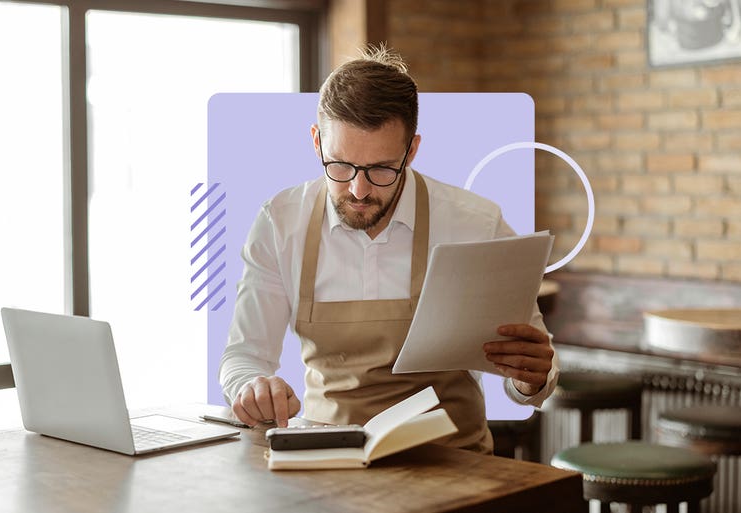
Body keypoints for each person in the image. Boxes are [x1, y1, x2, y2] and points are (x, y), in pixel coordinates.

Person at [219, 45, 559, 453]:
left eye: (381, 169)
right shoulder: (280, 222)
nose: (358, 191)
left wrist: (531, 379)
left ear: (411, 150)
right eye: (340, 166)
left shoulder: (476, 223)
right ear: (316, 143)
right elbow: (244, 356)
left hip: (455, 462)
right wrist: (252, 387)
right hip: (329, 458)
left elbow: (531, 376)